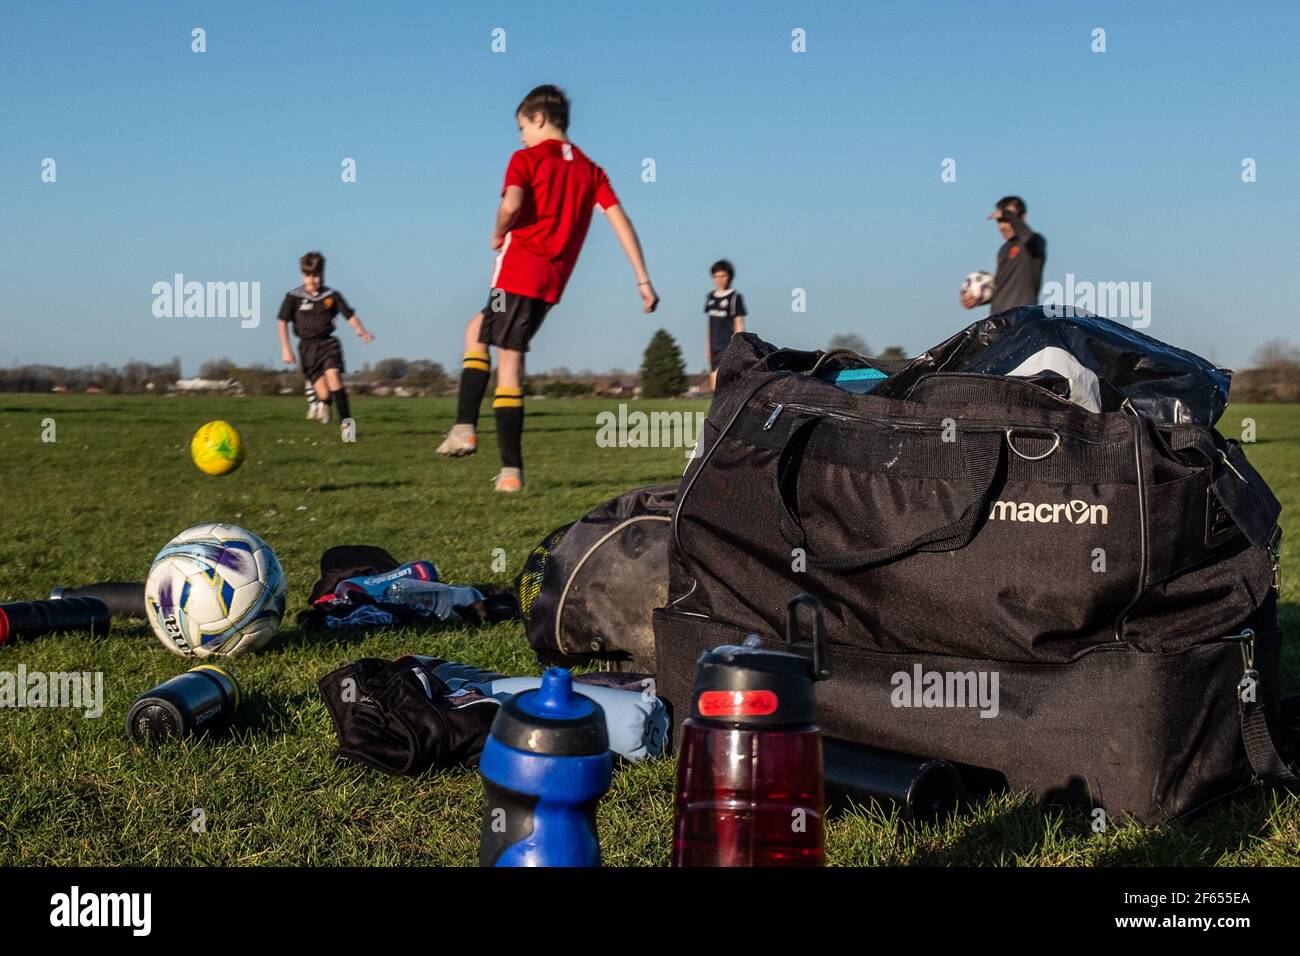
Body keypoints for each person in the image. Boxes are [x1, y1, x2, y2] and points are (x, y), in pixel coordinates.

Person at [436, 84, 658, 492]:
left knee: (509, 364)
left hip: (516, 273)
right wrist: (642, 278)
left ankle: (507, 471)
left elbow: (510, 205)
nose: (520, 135)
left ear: (538, 119)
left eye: (522, 126)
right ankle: (465, 428)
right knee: (478, 331)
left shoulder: (525, 158)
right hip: (550, 285)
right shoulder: (592, 170)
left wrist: (497, 232)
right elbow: (621, 222)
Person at [277, 251, 374, 435]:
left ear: (322, 274)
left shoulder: (332, 296)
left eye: (316, 275)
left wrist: (361, 331)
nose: (312, 280)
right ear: (302, 275)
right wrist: (286, 349)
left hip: (328, 345)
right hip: (307, 349)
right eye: (308, 276)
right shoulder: (293, 297)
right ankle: (325, 403)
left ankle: (348, 431)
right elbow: (282, 322)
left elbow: (349, 315)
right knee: (323, 393)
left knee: (335, 379)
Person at [961, 196, 1047, 314]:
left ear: (1022, 217)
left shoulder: (1034, 242)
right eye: (999, 221)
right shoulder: (1004, 249)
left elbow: (1028, 237)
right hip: (998, 319)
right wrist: (978, 297)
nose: (1003, 226)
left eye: (1007, 219)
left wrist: (1007, 214)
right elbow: (1002, 288)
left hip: (1022, 318)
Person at [704, 259, 747, 390]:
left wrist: (738, 344)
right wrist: (707, 345)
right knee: (713, 376)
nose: (720, 279)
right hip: (714, 344)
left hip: (728, 343)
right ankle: (714, 406)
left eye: (723, 276)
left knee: (721, 375)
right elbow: (709, 323)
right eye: (716, 276)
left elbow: (739, 322)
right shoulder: (711, 297)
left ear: (729, 276)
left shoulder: (734, 297)